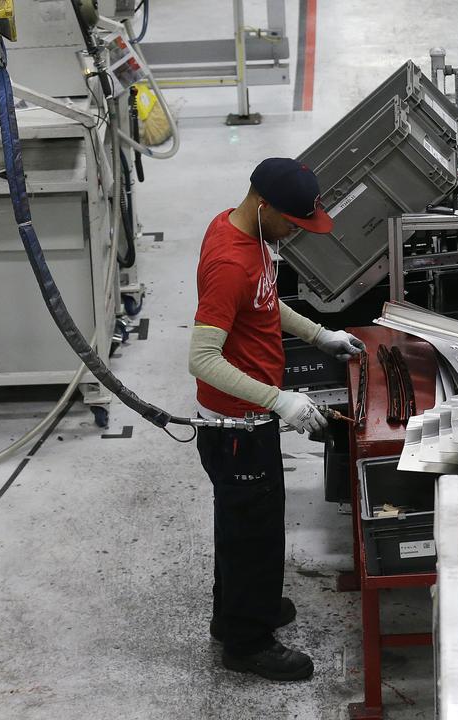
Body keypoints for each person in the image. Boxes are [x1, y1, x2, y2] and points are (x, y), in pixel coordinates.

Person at [188, 157, 365, 681]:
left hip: (252, 418)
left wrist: (319, 335)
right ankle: (247, 644)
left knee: (246, 525)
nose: (296, 233)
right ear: (264, 207)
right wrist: (278, 401)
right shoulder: (228, 262)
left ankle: (242, 611)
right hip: (237, 428)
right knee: (253, 532)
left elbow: (263, 305)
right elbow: (202, 359)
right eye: (293, 223)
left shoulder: (244, 230)